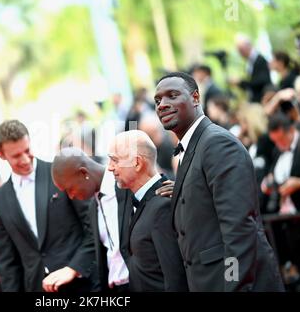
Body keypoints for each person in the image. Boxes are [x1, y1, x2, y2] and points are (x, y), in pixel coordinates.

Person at [154, 71, 284, 291]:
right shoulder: (194, 147)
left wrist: (233, 283)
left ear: (195, 98)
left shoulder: (216, 144)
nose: (162, 105)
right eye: (157, 100)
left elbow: (239, 229)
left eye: (172, 95)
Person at [0, 120, 95, 292]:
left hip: (82, 285)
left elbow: (93, 226)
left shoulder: (60, 173)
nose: (24, 160)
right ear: (1, 155)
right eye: (16, 156)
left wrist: (74, 268)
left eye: (27, 151)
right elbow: (6, 261)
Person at [107, 130, 188, 292]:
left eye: (115, 160)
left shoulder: (163, 205)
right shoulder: (136, 198)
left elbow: (175, 277)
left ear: (137, 163)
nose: (109, 168)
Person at [51, 147, 131, 292]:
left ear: (83, 173)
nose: (71, 196)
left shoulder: (126, 184)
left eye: (70, 189)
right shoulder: (94, 205)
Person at [231, 35, 272, 103]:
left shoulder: (260, 60)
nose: (240, 53)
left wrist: (240, 82)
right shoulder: (250, 62)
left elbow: (261, 81)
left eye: (241, 50)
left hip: (262, 99)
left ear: (248, 46)